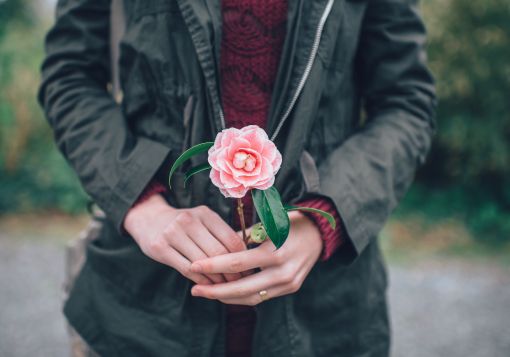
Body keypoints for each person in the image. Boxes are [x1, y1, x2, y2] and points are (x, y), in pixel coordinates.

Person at [38, 0, 436, 356]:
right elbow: (70, 75)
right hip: (145, 309)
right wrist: (141, 203)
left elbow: (405, 103)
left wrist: (323, 219)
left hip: (325, 314)